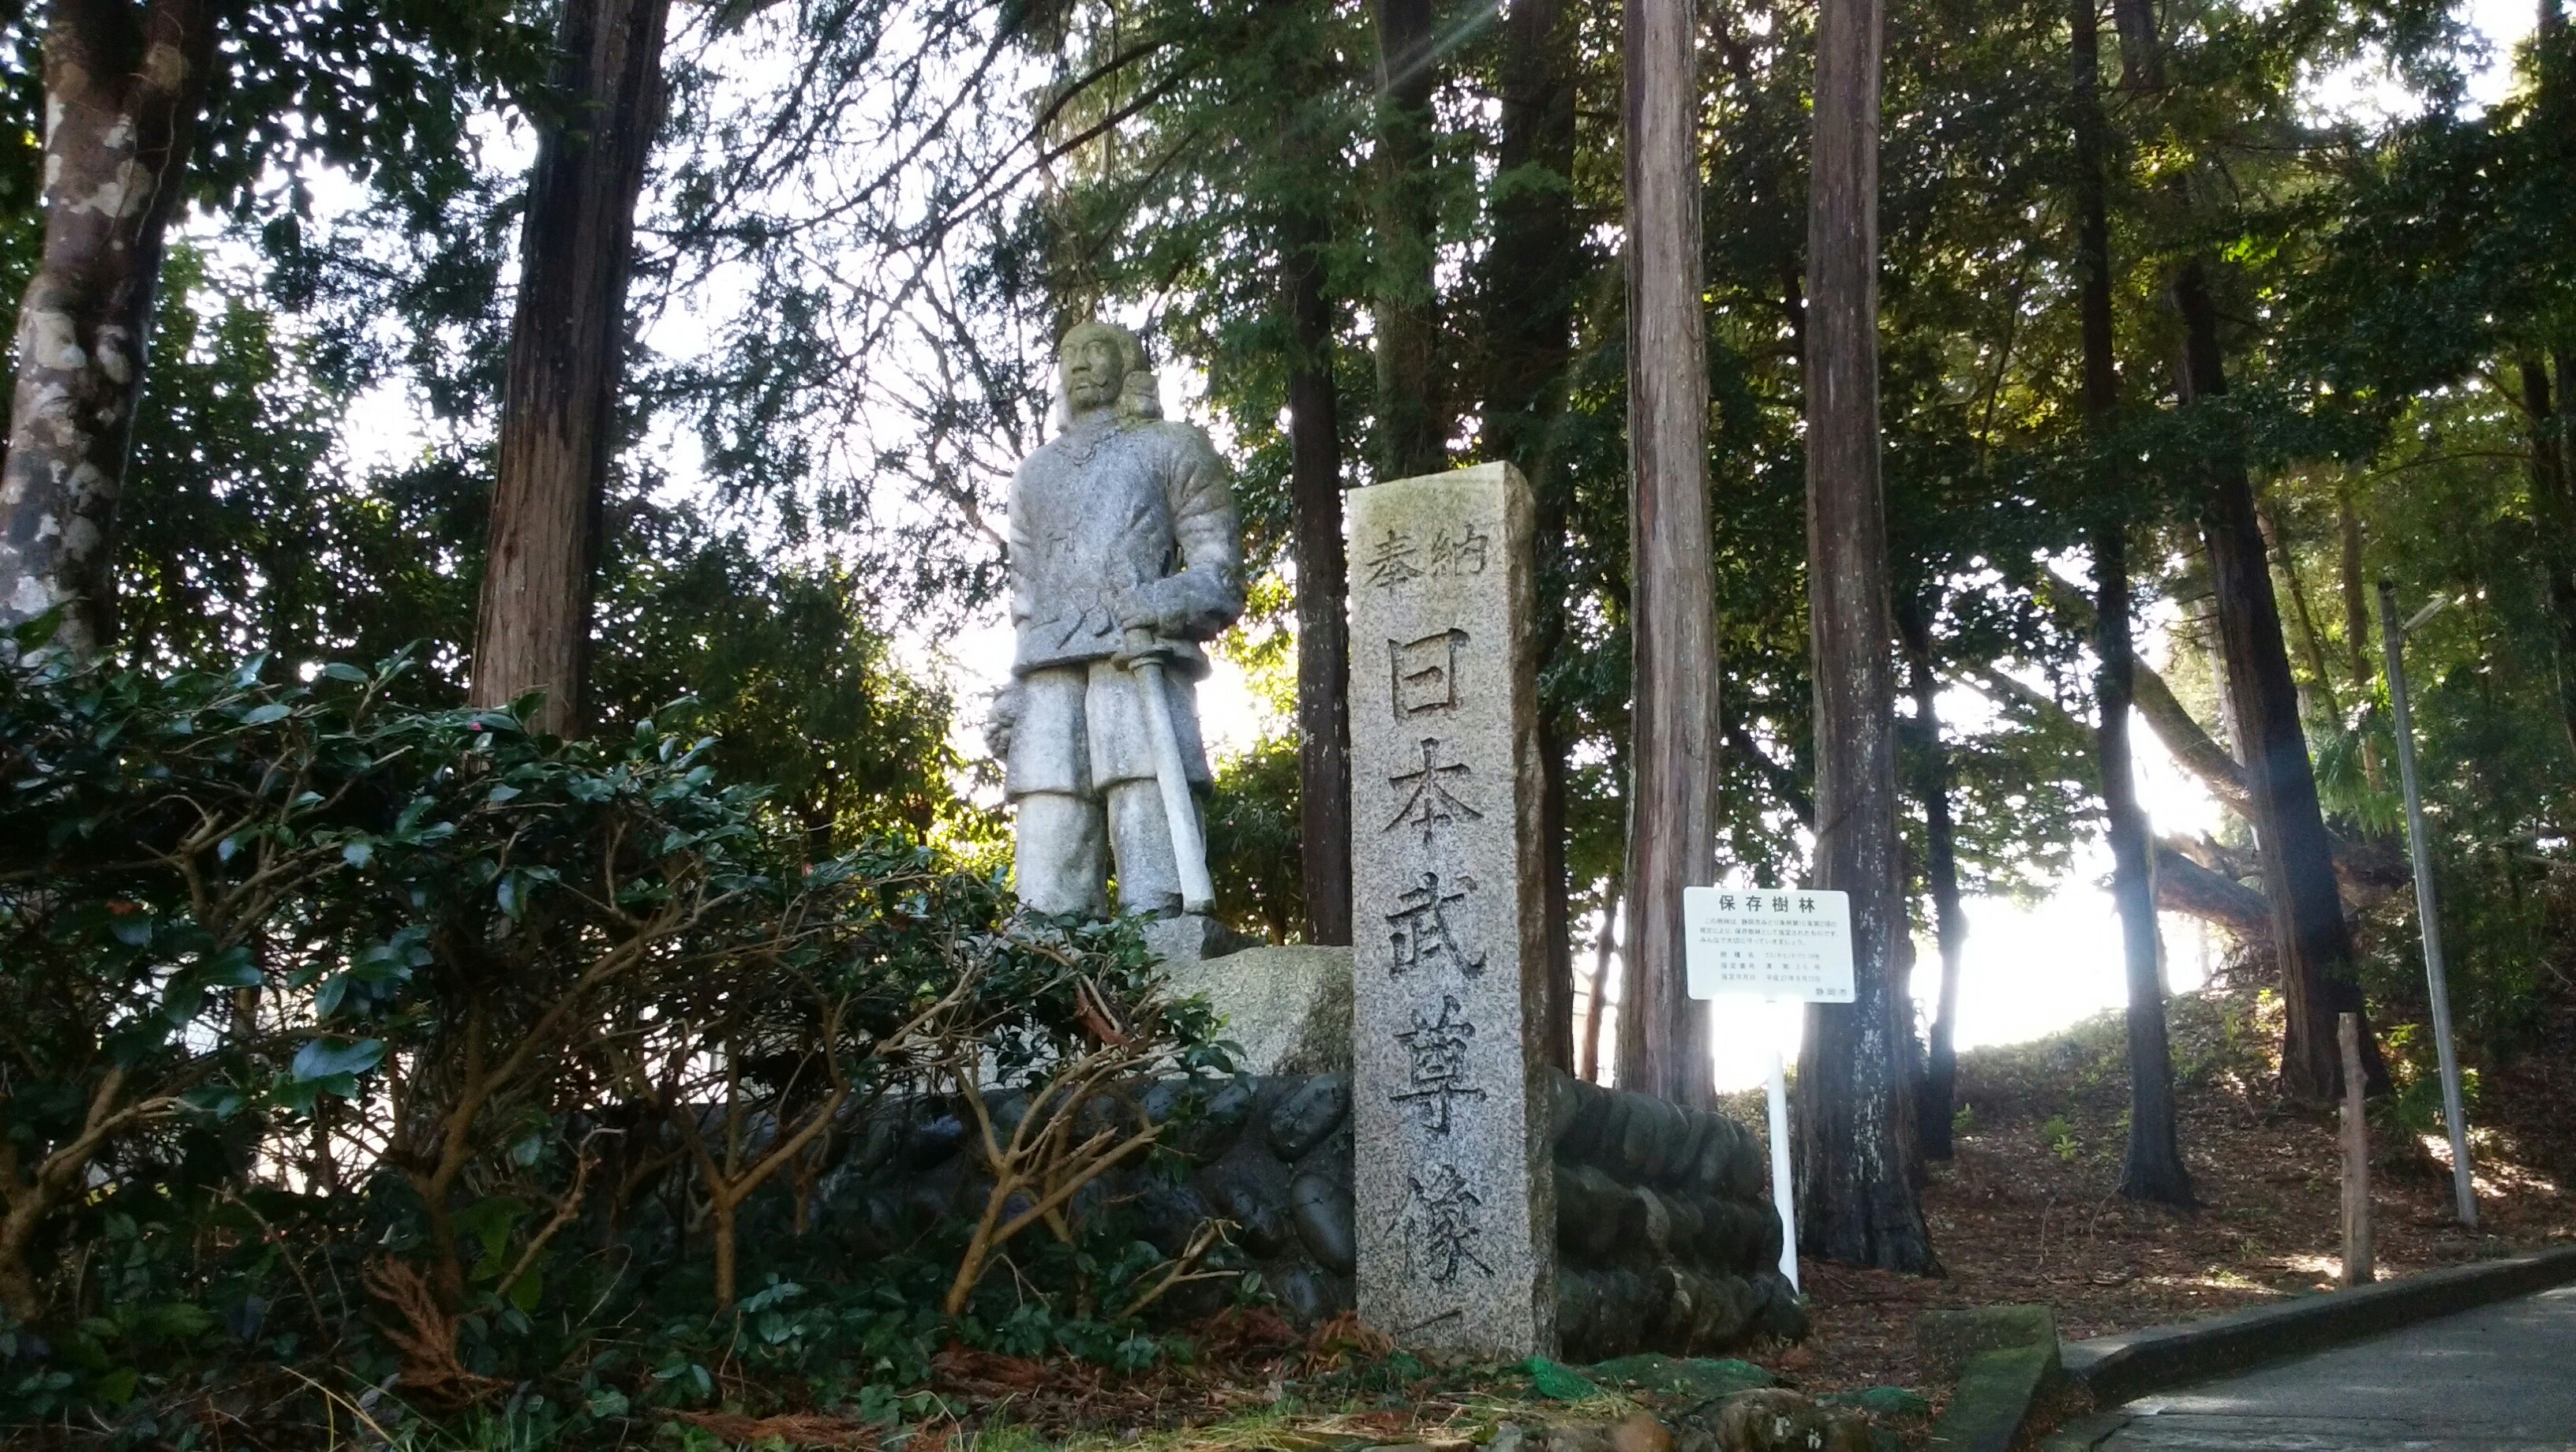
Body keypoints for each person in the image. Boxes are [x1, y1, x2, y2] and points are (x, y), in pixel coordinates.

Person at [987, 321, 1242, 918]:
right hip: (1047, 662)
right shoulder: (1034, 475)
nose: (1079, 363)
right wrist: (1015, 687)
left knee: (1143, 782)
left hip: (1138, 650)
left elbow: (1220, 572)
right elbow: (1025, 594)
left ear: (1126, 364)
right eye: (1068, 353)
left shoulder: (1173, 445)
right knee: (1048, 805)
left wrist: (1163, 601)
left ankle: (1159, 921)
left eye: (1095, 349)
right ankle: (1047, 953)